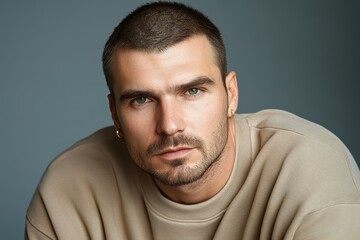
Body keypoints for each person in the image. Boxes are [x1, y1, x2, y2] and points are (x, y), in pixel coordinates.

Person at [25, 2, 360, 239]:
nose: (170, 125)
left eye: (192, 91)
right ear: (115, 112)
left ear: (231, 93)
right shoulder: (69, 190)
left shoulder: (309, 168)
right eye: (141, 100)